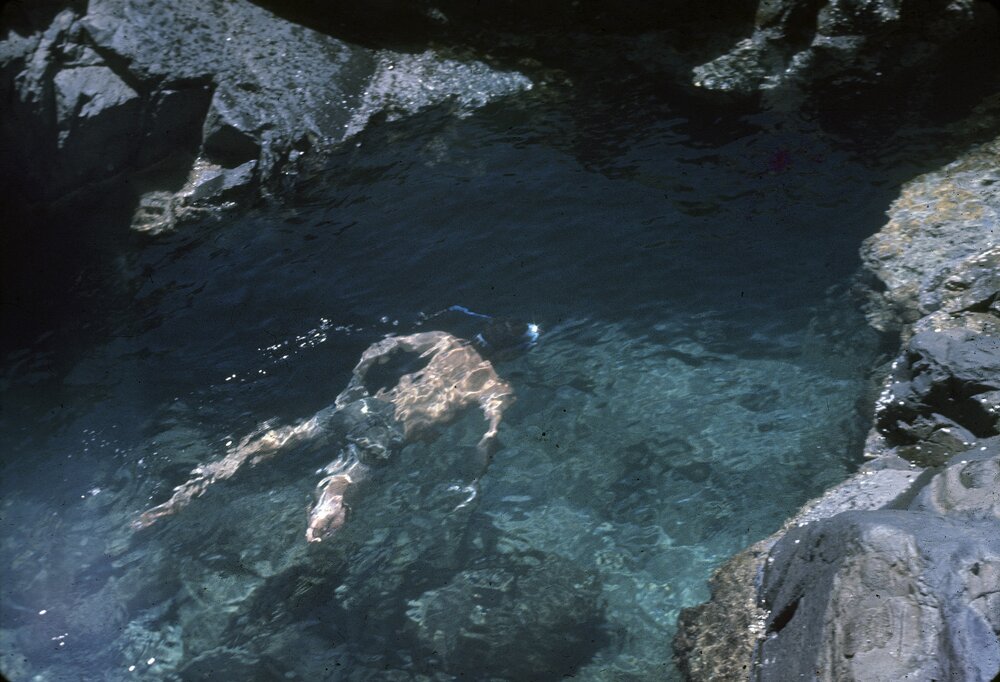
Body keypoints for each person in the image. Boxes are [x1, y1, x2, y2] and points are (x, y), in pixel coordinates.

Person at [133, 317, 539, 542]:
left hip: (362, 405)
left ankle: (187, 491)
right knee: (345, 476)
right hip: (388, 435)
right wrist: (476, 479)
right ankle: (328, 505)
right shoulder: (495, 386)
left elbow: (381, 347)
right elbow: (489, 436)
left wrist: (356, 382)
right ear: (509, 354)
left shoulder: (442, 340)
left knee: (278, 440)